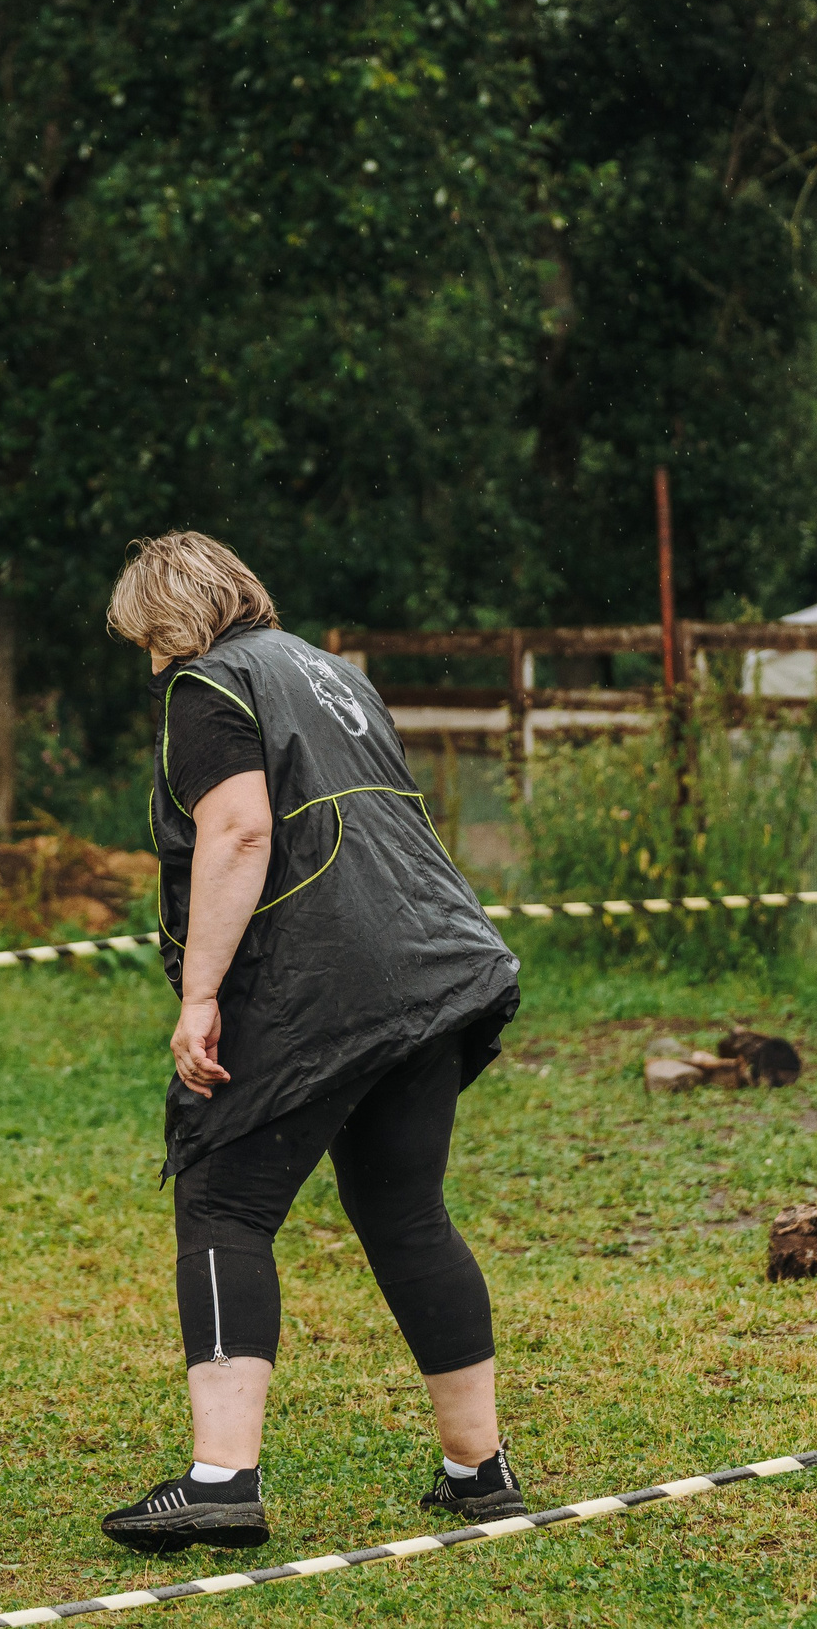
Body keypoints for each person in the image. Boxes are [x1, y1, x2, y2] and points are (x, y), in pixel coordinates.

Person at [97, 532, 526, 1554]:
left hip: (320, 977)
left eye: (145, 639)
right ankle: (479, 1471)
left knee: (222, 1197)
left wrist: (201, 993)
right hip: (434, 962)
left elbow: (241, 830)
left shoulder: (208, 685)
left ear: (171, 620)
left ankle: (220, 1480)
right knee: (406, 1212)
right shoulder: (333, 675)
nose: (147, 664)